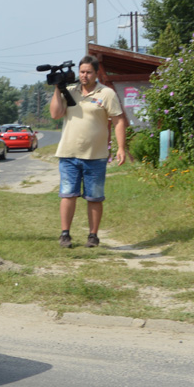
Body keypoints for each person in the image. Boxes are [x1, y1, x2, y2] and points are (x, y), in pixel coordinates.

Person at [50, 56, 127, 248]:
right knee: (68, 194)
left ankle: (93, 236)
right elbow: (55, 114)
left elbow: (118, 121)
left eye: (89, 72)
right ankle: (65, 234)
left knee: (94, 197)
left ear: (96, 73)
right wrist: (57, 88)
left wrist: (121, 147)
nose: (84, 75)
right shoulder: (69, 91)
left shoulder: (106, 93)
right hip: (69, 154)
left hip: (96, 156)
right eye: (82, 72)